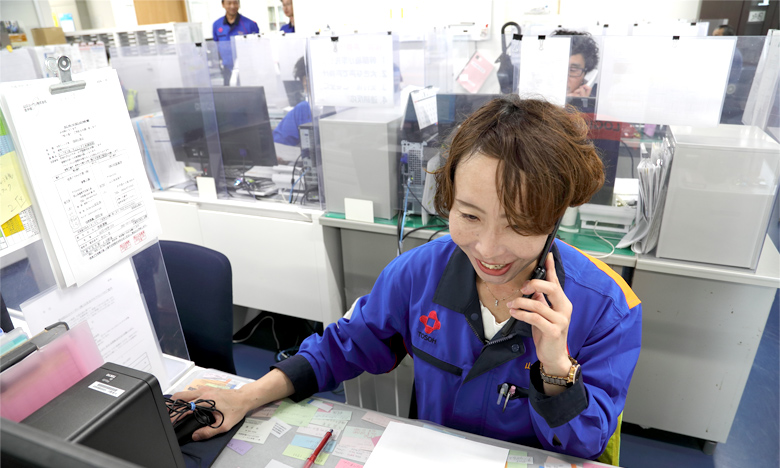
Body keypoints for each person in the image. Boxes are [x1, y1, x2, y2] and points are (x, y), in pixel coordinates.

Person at [173, 96, 642, 460]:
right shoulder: (419, 273)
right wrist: (246, 396)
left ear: (555, 218)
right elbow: (343, 347)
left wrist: (556, 368)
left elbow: (584, 449)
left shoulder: (607, 306)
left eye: (519, 225)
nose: (488, 249)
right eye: (470, 216)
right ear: (448, 202)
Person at [212, 0, 259, 85]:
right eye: (229, 3)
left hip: (246, 70)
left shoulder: (250, 24)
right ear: (223, 4)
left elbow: (257, 49)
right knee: (229, 96)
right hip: (227, 70)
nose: (232, 6)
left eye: (235, 2)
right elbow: (216, 47)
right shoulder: (217, 25)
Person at [552, 29, 600, 97]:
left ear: (585, 75)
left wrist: (579, 103)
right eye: (556, 68)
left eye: (572, 70)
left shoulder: (597, 103)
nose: (563, 79)